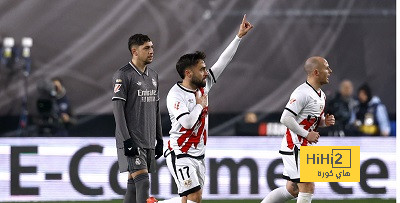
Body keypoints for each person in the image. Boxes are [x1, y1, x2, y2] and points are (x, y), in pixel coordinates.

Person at [152, 15, 253, 203]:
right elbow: (188, 123)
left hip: (198, 155)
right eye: (202, 69)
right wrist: (200, 105)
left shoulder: (203, 86)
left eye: (205, 68)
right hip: (180, 152)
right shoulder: (176, 95)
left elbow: (223, 62)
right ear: (188, 73)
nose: (206, 72)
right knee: (194, 197)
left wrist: (238, 37)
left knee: (190, 200)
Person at [261, 56, 335, 203]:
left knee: (292, 189)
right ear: (316, 72)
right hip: (295, 146)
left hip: (305, 147)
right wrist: (307, 134)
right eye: (327, 68)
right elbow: (286, 118)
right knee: (307, 186)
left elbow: (307, 120)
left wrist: (324, 122)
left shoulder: (322, 95)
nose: (330, 71)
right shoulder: (302, 93)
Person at [112, 34, 163, 203]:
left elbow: (155, 109)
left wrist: (159, 139)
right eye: (146, 48)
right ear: (134, 51)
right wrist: (126, 140)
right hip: (131, 139)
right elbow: (117, 109)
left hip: (148, 139)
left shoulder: (153, 76)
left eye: (152, 47)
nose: (151, 51)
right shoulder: (123, 75)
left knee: (133, 186)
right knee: (143, 183)